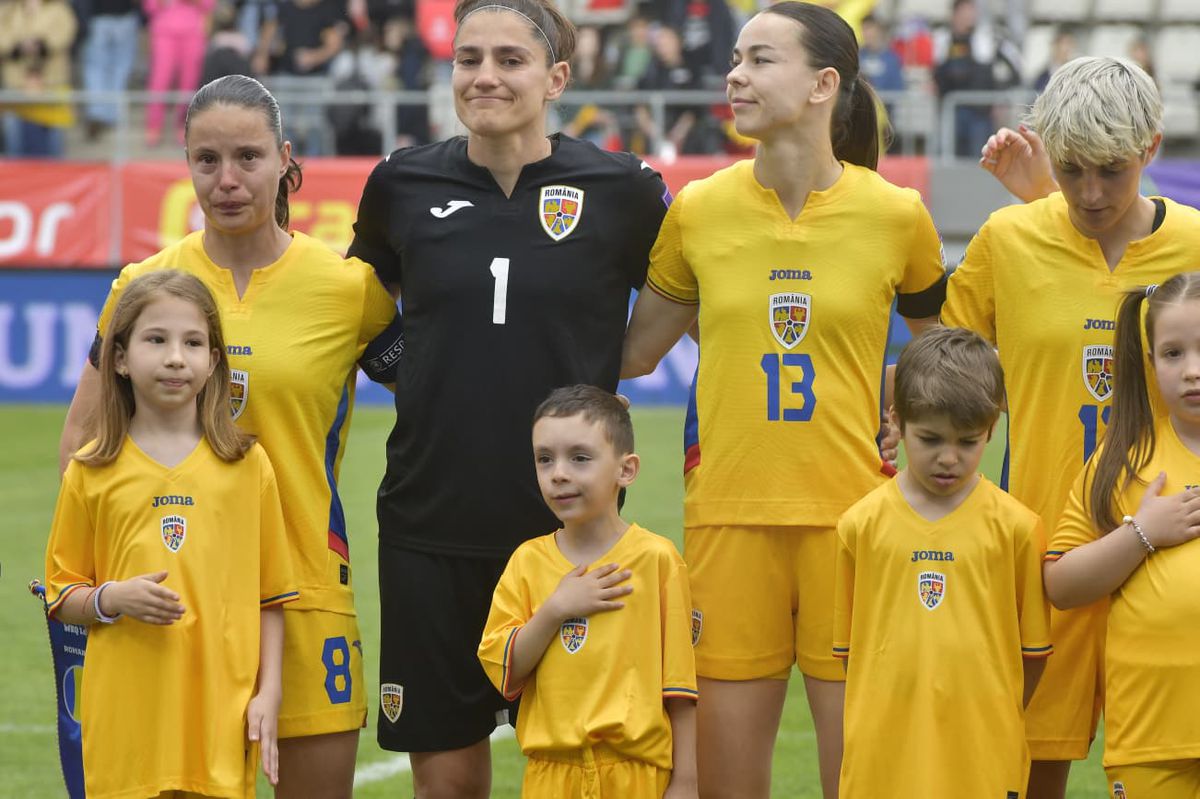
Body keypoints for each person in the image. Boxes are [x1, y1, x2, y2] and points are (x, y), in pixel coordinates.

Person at [619, 4, 947, 797]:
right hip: (729, 519)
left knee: (857, 783)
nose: (735, 74)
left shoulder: (896, 214)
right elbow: (632, 354)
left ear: (823, 85)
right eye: (735, 58)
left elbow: (946, 355)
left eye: (760, 60)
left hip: (854, 526)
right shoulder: (697, 208)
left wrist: (900, 401)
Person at [346, 0, 671, 793]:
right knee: (446, 780)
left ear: (557, 77)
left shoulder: (622, 187)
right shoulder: (400, 180)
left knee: (581, 767)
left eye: (510, 60)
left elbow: (688, 291)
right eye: (468, 59)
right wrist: (410, 366)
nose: (485, 76)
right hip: (431, 519)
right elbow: (354, 303)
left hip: (569, 532)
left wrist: (604, 360)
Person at [58, 75, 404, 799]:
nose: (227, 180)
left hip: (306, 587)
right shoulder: (144, 283)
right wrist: (95, 589)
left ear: (284, 159)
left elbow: (437, 400)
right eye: (206, 160)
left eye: (247, 158)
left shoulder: (349, 288)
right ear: (185, 162)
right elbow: (83, 443)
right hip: (170, 595)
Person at [945, 56, 1200, 799]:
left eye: (1111, 171)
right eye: (1071, 169)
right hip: (1043, 555)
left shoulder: (1194, 244)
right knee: (1024, 773)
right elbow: (946, 369)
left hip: (1173, 551)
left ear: (1151, 149)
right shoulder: (1008, 239)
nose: (1090, 193)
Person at [44, 269, 297, 798]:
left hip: (219, 717)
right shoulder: (91, 470)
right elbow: (60, 593)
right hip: (126, 723)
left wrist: (268, 691)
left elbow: (270, 596)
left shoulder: (248, 466)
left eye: (193, 343)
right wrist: (113, 598)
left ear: (213, 363)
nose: (176, 357)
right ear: (119, 357)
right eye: (156, 340)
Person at [834, 326, 1052, 797]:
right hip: (883, 760)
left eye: (968, 442)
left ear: (991, 430)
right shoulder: (860, 525)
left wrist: (985, 710)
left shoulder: (1017, 528)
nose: (948, 458)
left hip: (983, 758)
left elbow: (1031, 659)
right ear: (896, 421)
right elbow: (852, 655)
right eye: (930, 439)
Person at [478, 385, 698, 798]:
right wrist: (555, 609)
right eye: (545, 459)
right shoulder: (527, 562)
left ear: (625, 470)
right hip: (551, 777)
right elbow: (506, 669)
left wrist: (686, 780)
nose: (559, 473)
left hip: (636, 776)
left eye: (579, 458)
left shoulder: (656, 560)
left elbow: (681, 688)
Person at [1046, 271, 1200, 798]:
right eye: (1174, 354)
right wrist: (1143, 534)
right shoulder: (1123, 462)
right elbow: (1061, 586)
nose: (1192, 371)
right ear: (1151, 363)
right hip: (1150, 735)